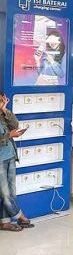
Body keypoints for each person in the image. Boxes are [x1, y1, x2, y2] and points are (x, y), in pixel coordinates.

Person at [0, 93, 34, 231]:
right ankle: (20, 216)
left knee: (11, 192)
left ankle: (4, 222)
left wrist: (5, 110)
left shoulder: (3, 114)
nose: (1, 102)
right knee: (5, 193)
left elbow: (15, 124)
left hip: (10, 156)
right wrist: (10, 135)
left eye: (2, 100)